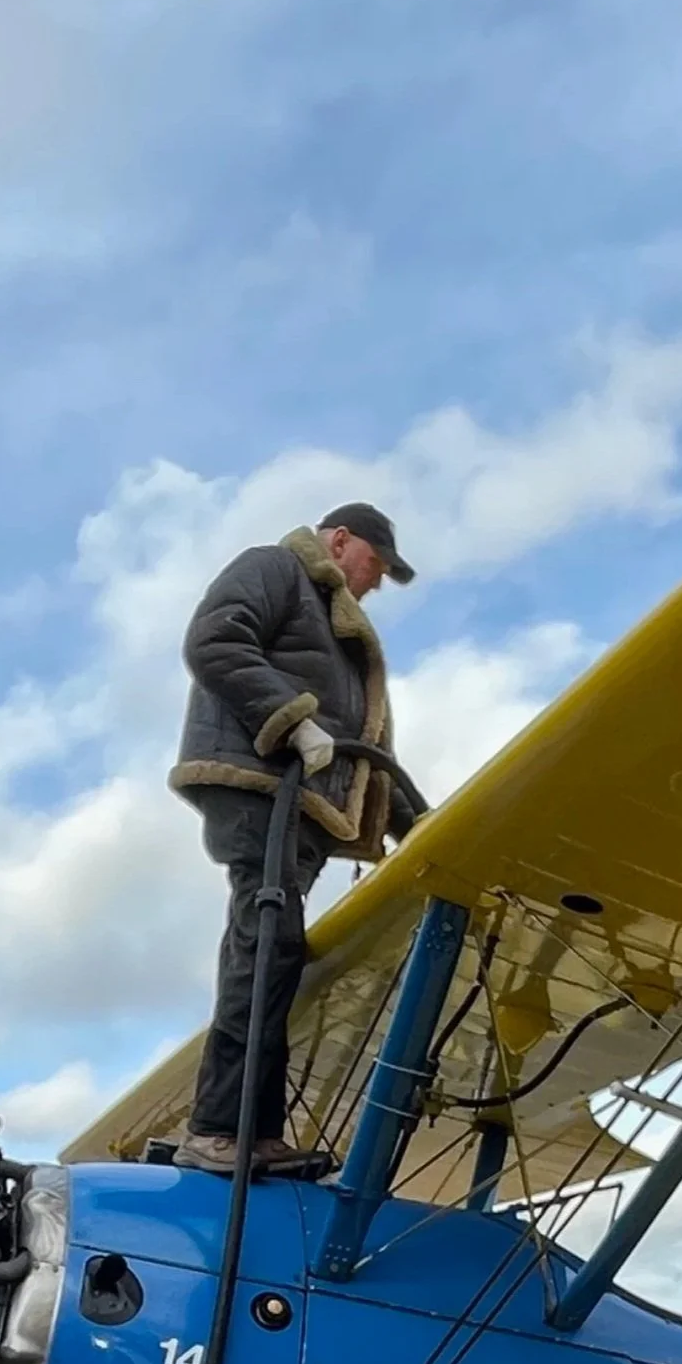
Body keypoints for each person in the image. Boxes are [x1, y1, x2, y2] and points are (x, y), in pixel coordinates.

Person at [168, 501, 425, 1176]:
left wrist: (421, 826)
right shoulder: (276, 568)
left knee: (276, 954)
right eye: (376, 566)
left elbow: (363, 752)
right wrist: (290, 722)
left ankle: (251, 1129)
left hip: (303, 807)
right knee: (265, 943)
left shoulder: (335, 629)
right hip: (259, 788)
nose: (375, 584)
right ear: (341, 541)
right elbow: (215, 640)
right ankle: (219, 1129)